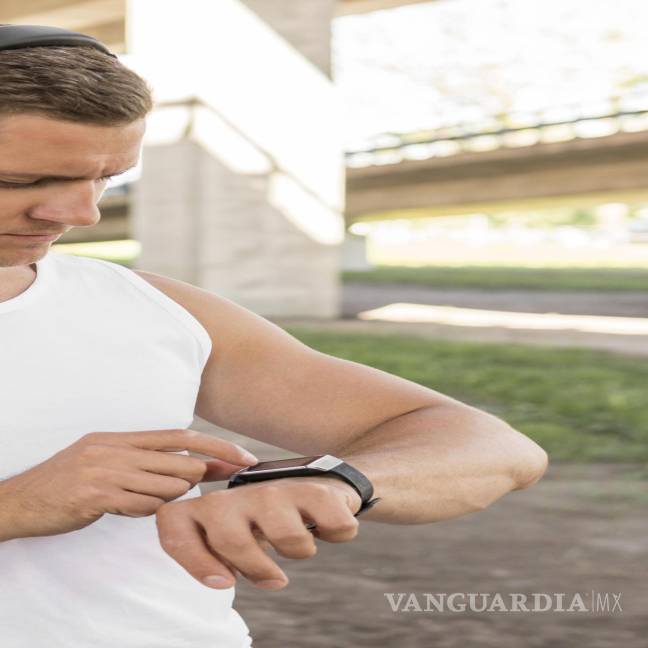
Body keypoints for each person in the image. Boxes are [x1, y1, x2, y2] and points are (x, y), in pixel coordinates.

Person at [0, 25, 548, 648]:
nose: (81, 214)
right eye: (20, 182)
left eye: (106, 177)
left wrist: (339, 482)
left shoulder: (159, 310)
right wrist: (15, 505)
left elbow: (493, 447)